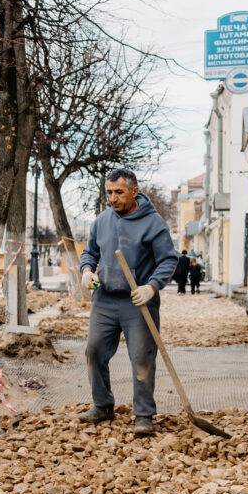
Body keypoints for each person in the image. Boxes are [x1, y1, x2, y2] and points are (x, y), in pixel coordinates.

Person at [78, 167, 178, 437]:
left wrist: (152, 287)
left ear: (135, 191)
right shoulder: (101, 221)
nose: (113, 198)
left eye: (119, 192)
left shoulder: (153, 223)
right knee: (94, 350)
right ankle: (102, 405)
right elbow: (89, 253)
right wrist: (87, 272)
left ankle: (143, 414)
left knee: (142, 358)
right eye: (109, 192)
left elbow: (169, 259)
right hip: (106, 299)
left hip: (139, 302)